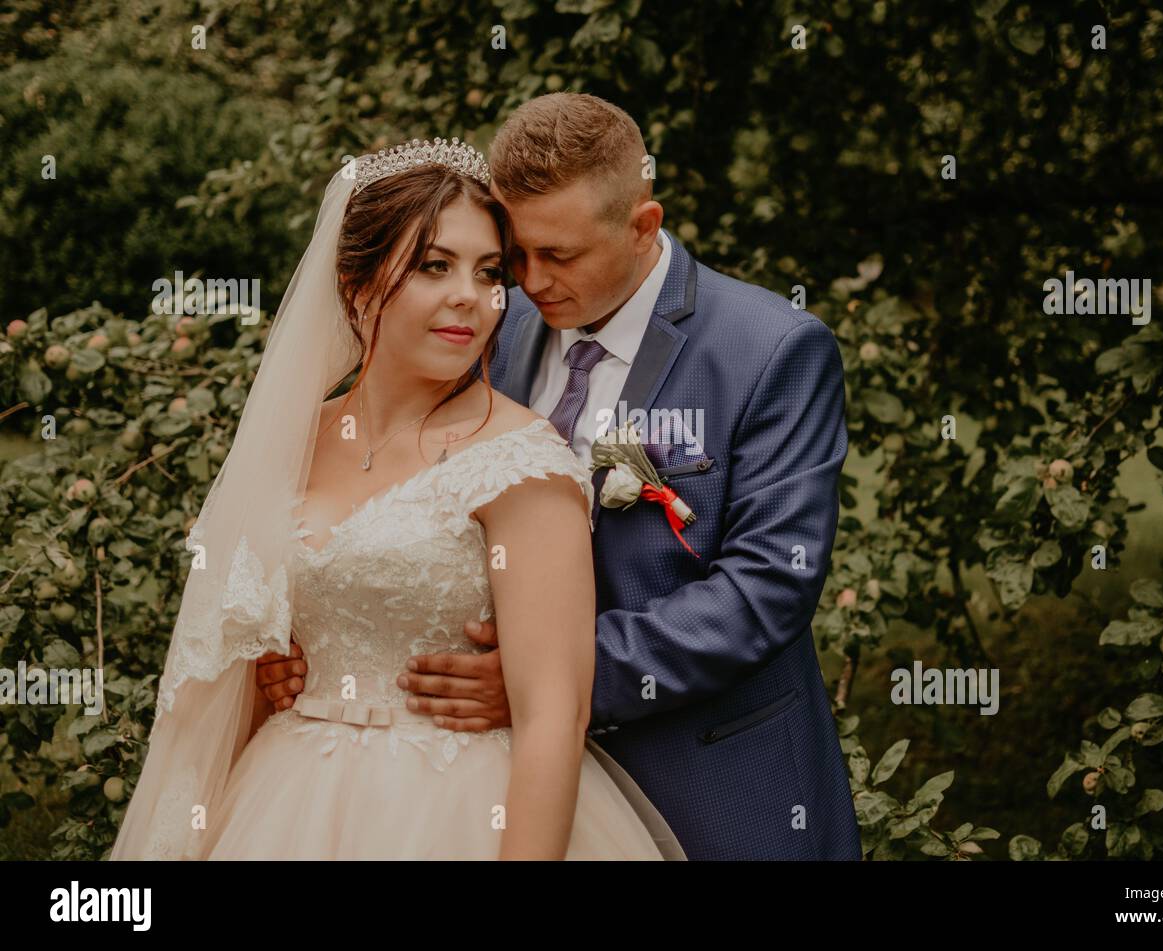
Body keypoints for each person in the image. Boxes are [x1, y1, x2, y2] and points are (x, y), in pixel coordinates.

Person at [260, 94, 861, 861]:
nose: (530, 283)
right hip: (469, 784)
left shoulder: (770, 351)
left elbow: (769, 584)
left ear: (644, 225)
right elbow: (393, 484)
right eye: (516, 254)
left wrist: (554, 677)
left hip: (706, 771)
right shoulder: (481, 322)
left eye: (560, 255)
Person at [110, 135, 684, 860]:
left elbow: (553, 718)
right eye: (433, 266)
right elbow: (229, 655)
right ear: (355, 283)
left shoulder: (519, 462)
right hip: (284, 801)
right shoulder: (293, 438)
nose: (468, 298)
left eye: (486, 272)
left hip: (460, 809)